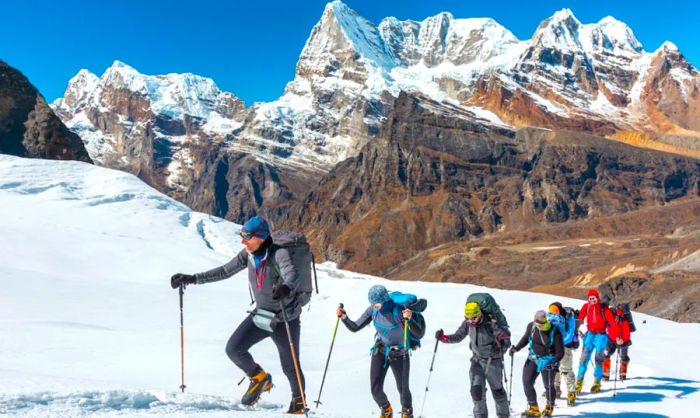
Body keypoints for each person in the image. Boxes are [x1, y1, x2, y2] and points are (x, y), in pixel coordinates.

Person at [170, 216, 307, 414]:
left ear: (260, 237)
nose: (243, 241)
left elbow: (291, 273)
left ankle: (299, 404)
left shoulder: (280, 253)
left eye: (247, 237)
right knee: (234, 349)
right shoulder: (248, 255)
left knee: (290, 366)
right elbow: (226, 271)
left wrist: (286, 287)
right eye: (242, 236)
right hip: (261, 315)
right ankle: (260, 378)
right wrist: (193, 279)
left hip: (285, 318)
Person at [337, 285, 424, 418]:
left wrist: (410, 319)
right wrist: (344, 317)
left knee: (403, 390)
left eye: (377, 304)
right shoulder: (373, 310)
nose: (374, 307)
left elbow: (419, 333)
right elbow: (355, 327)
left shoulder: (399, 310)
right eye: (372, 303)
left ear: (384, 300)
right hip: (380, 350)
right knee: (375, 390)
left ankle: (407, 413)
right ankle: (386, 410)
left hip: (400, 353)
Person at [435, 299, 511, 418]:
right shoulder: (468, 323)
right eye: (467, 318)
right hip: (477, 361)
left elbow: (506, 340)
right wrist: (444, 338)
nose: (471, 321)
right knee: (476, 391)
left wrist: (500, 348)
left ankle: (503, 415)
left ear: (480, 313)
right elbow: (458, 336)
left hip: (493, 362)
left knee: (497, 391)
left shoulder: (491, 323)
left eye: (473, 318)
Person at [510, 310, 564, 417]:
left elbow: (560, 352)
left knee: (548, 385)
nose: (538, 326)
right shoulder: (532, 326)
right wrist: (516, 348)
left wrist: (553, 362)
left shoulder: (554, 330)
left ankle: (549, 407)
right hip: (533, 358)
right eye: (537, 323)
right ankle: (534, 408)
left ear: (545, 322)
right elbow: (525, 339)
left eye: (541, 324)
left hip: (548, 360)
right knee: (527, 382)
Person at [575, 289, 617, 394]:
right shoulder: (587, 307)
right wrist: (577, 330)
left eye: (594, 298)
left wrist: (617, 337)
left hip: (601, 336)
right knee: (583, 360)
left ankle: (597, 383)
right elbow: (580, 318)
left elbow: (613, 324)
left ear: (598, 298)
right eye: (590, 299)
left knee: (598, 360)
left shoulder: (605, 310)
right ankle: (578, 383)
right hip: (589, 335)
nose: (592, 301)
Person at [547, 302, 579, 406]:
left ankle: (571, 392)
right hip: (553, 347)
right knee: (554, 369)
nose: (553, 314)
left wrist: (558, 342)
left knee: (566, 370)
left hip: (566, 346)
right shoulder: (550, 318)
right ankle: (556, 389)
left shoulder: (569, 318)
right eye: (551, 312)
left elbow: (570, 335)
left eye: (555, 312)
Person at [603, 305, 632, 381]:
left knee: (623, 357)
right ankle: (606, 374)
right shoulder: (610, 319)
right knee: (606, 354)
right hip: (613, 339)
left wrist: (622, 339)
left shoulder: (623, 320)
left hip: (622, 341)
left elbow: (627, 332)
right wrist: (617, 338)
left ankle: (622, 374)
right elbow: (610, 331)